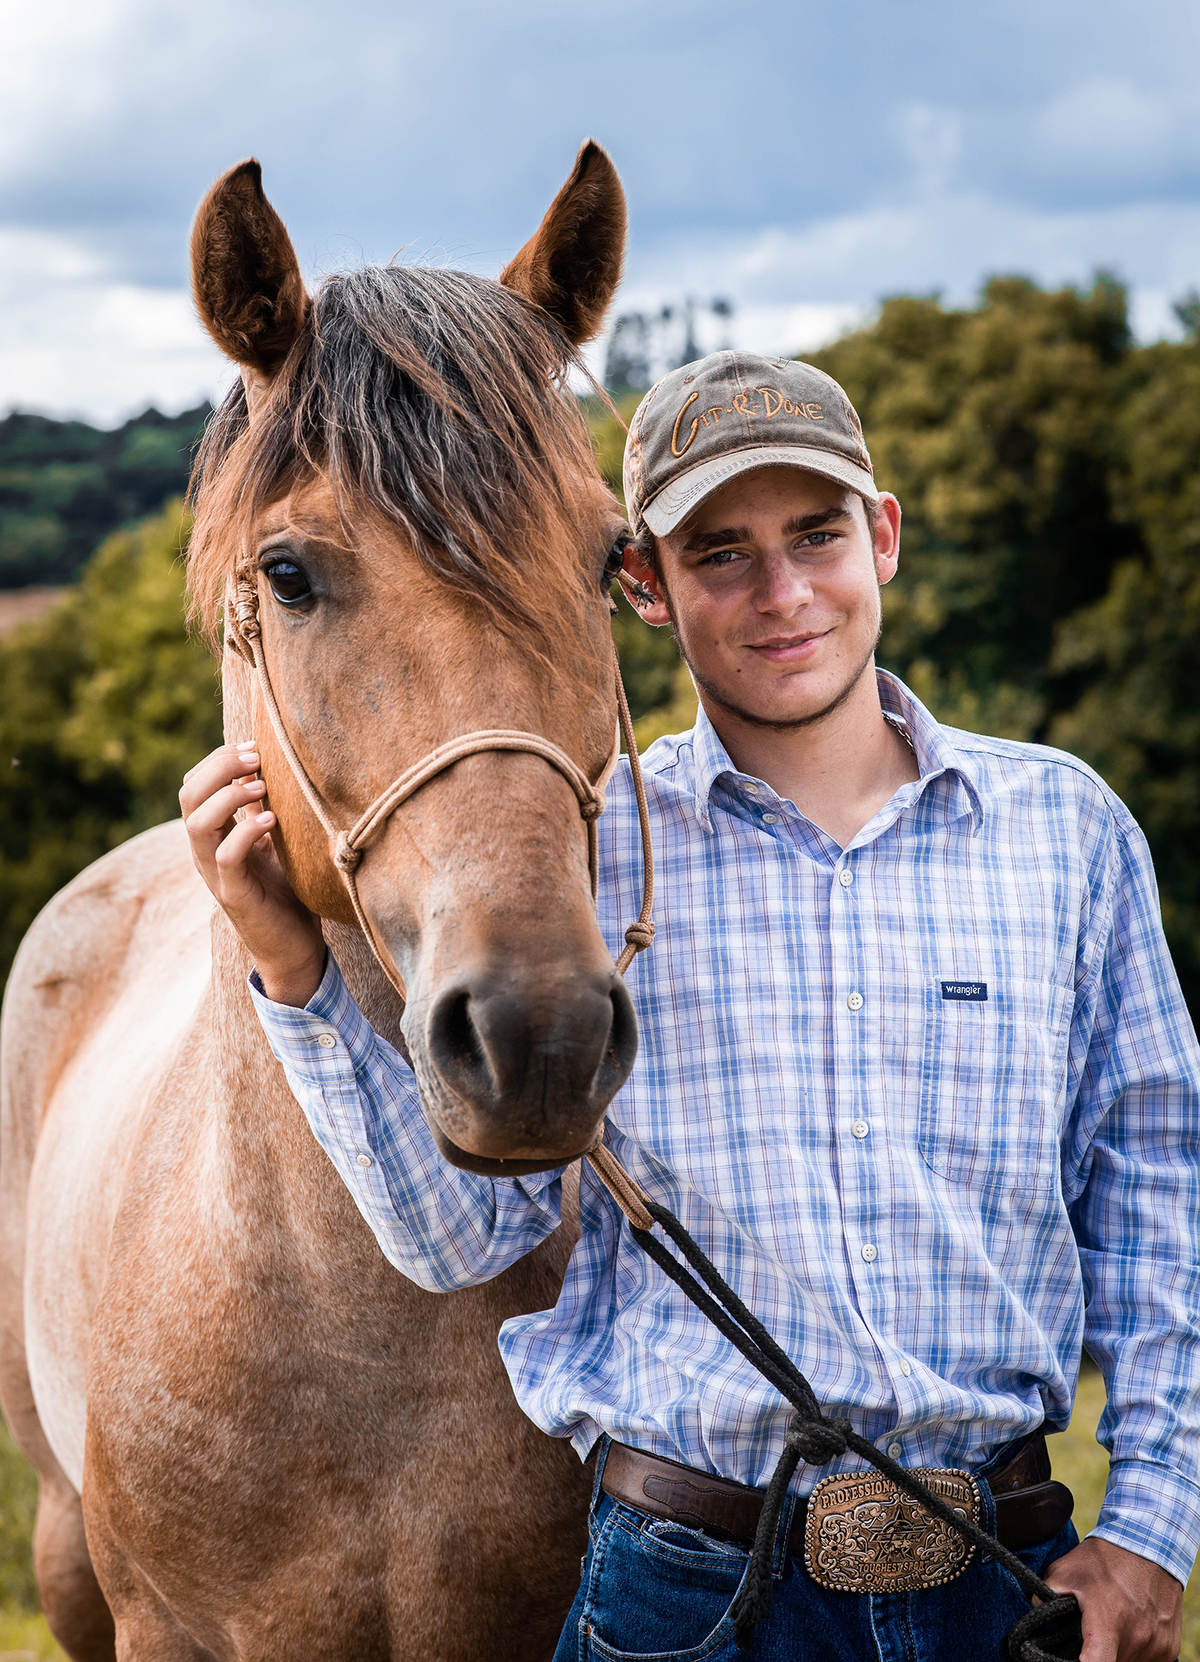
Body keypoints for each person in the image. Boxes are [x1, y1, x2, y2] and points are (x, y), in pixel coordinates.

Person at [182, 352, 1199, 1662]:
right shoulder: (587, 864)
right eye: (721, 554)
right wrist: (294, 969)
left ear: (882, 539)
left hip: (1003, 1573)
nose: (783, 593)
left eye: (816, 534)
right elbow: (461, 1238)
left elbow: (1155, 1199)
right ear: (645, 586)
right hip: (688, 1597)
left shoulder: (1067, 830)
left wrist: (1153, 1528)